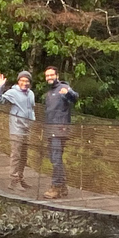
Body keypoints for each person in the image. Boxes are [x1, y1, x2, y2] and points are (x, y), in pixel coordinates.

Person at [0, 70, 36, 191]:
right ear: (18, 81)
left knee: (24, 156)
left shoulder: (31, 94)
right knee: (16, 155)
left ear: (30, 82)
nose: (24, 83)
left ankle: (20, 178)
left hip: (27, 129)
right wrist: (0, 87)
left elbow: (31, 109)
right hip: (16, 129)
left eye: (27, 81)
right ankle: (13, 181)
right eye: (22, 80)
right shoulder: (13, 92)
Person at [41, 66, 78, 199]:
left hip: (60, 129)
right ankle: (62, 187)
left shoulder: (63, 88)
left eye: (51, 75)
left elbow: (74, 98)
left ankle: (56, 187)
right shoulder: (50, 93)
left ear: (57, 75)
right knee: (54, 159)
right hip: (50, 129)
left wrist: (68, 94)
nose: (49, 78)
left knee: (56, 158)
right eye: (47, 76)